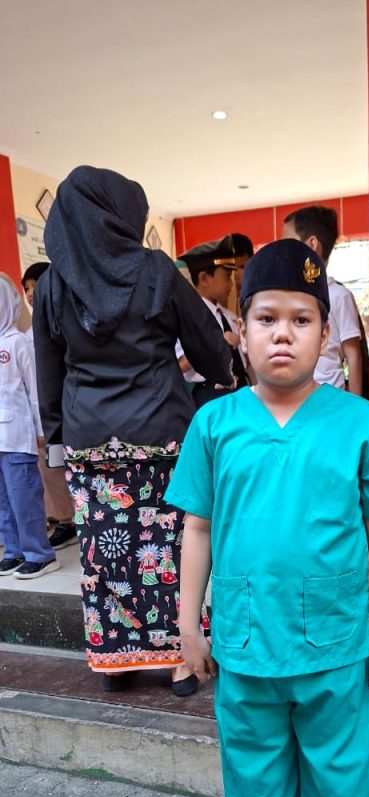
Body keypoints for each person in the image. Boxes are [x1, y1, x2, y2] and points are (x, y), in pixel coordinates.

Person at [165, 238, 369, 797]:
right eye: (266, 318)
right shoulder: (215, 425)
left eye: (301, 320)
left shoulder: (361, 424)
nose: (283, 334)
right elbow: (198, 529)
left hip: (336, 650)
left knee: (340, 784)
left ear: (324, 333)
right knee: (255, 781)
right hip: (245, 648)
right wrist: (188, 627)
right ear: (240, 331)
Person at [32, 165, 233, 695]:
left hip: (90, 443)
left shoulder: (52, 285)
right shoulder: (156, 271)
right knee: (170, 547)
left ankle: (117, 661)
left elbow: (49, 375)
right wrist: (222, 374)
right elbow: (209, 348)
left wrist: (57, 443)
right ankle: (181, 660)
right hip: (162, 434)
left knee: (106, 553)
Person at [0, 275, 60, 580]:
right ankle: (14, 551)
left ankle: (40, 554)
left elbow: (35, 390)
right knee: (3, 501)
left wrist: (41, 429)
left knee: (24, 497)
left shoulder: (18, 342)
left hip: (17, 436)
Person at [282, 205, 369, 397]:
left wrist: (356, 407)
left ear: (312, 244)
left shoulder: (339, 296)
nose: (283, 252)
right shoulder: (288, 297)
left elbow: (353, 356)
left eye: (288, 243)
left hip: (331, 398)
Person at [21, 262, 77, 552]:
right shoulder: (26, 336)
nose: (32, 292)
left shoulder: (67, 323)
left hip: (69, 407)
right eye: (27, 288)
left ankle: (74, 518)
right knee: (51, 468)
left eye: (36, 284)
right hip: (46, 411)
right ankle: (65, 519)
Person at [178, 236, 250, 405]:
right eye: (226, 276)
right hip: (211, 396)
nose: (231, 283)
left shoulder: (229, 317)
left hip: (241, 390)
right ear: (204, 279)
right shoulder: (188, 318)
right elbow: (179, 366)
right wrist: (213, 344)